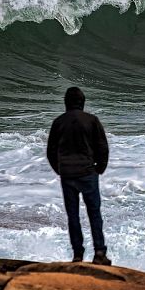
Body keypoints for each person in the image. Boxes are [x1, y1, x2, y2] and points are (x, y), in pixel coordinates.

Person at [47, 87, 111, 265]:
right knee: (94, 213)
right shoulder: (92, 120)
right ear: (82, 103)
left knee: (73, 215)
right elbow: (102, 147)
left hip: (68, 174)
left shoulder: (59, 122)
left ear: (66, 103)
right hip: (88, 173)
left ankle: (77, 255)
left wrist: (60, 169)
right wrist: (100, 168)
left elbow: (51, 151)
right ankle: (99, 252)